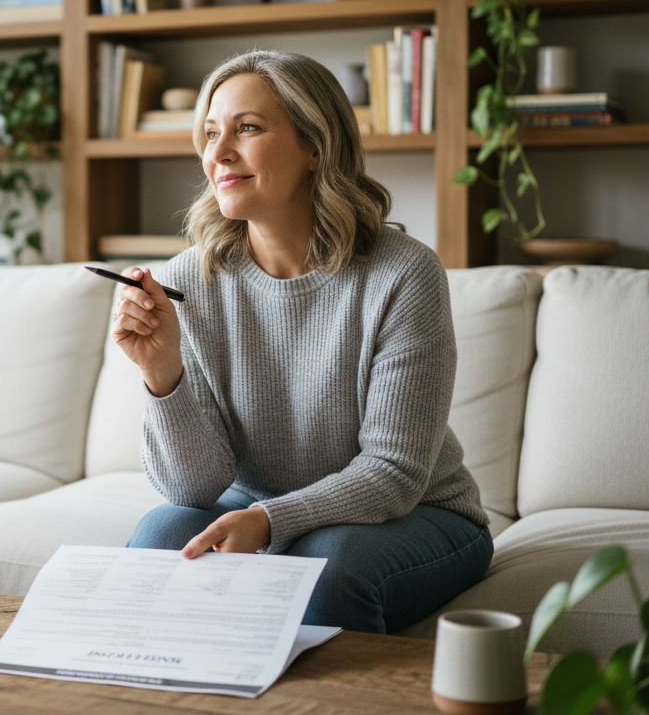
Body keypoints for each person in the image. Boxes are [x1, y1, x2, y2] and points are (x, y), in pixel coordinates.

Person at [113, 50, 491, 634]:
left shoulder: (404, 274)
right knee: (158, 536)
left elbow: (393, 471)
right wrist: (163, 373)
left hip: (419, 513)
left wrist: (268, 521)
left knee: (326, 569)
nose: (218, 154)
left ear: (316, 146)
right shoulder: (188, 281)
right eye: (211, 133)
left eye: (248, 128)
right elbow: (194, 490)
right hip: (260, 507)